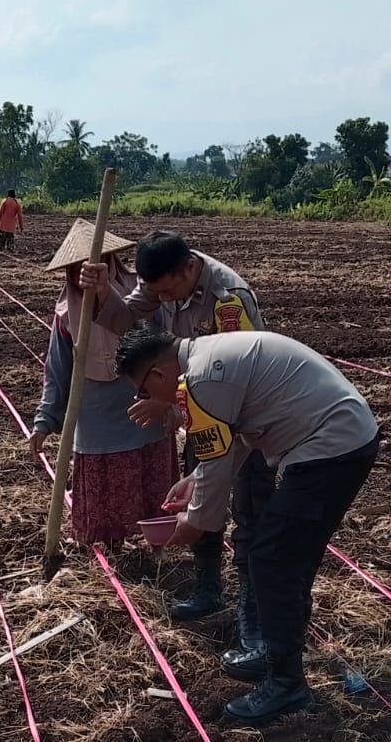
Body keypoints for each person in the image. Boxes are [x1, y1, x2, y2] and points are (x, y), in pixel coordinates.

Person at [116, 326, 381, 724]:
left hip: (331, 447)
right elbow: (234, 439)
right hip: (340, 439)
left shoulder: (202, 379)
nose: (148, 398)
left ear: (157, 374)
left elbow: (217, 461)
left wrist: (194, 524)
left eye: (143, 391)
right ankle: (279, 654)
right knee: (286, 557)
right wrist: (195, 481)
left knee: (272, 558)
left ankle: (286, 684)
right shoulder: (209, 359)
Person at [82, 230, 274, 677]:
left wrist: (168, 401)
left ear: (190, 268)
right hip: (201, 409)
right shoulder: (159, 281)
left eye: (168, 293)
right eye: (157, 293)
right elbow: (129, 323)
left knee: (249, 512)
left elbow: (242, 375)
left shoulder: (229, 299)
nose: (163, 300)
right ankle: (208, 587)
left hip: (248, 418)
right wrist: (102, 293)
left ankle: (253, 614)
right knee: (196, 495)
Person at [29, 221, 177, 547]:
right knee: (106, 506)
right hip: (96, 419)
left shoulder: (143, 297)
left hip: (144, 412)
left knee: (153, 492)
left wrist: (166, 402)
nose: (83, 275)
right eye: (76, 269)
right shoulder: (66, 313)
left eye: (92, 266)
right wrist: (44, 420)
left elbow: (166, 352)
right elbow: (57, 372)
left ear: (109, 263)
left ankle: (159, 551)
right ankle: (112, 550)